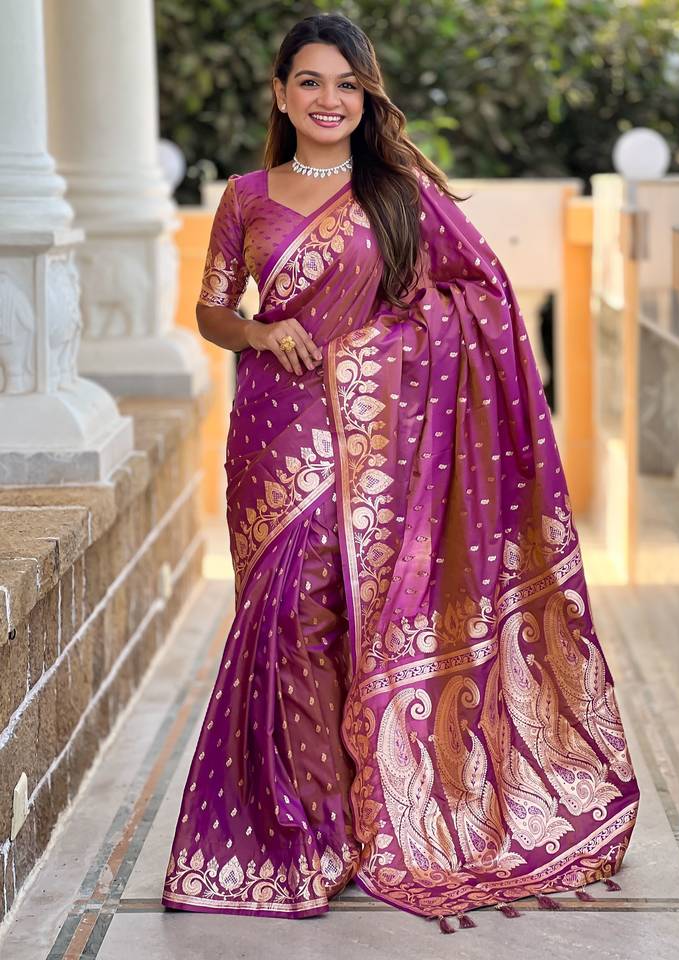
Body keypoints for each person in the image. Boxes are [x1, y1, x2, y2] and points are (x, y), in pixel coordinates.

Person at [161, 12, 639, 933]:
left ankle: (364, 819)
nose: (328, 100)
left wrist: (373, 354)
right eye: (310, 82)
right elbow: (213, 309)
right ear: (280, 94)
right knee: (288, 622)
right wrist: (260, 330)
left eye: (346, 84)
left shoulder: (401, 194)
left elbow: (481, 296)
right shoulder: (246, 197)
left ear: (366, 96)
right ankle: (303, 832)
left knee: (358, 616)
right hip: (276, 437)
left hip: (384, 443)